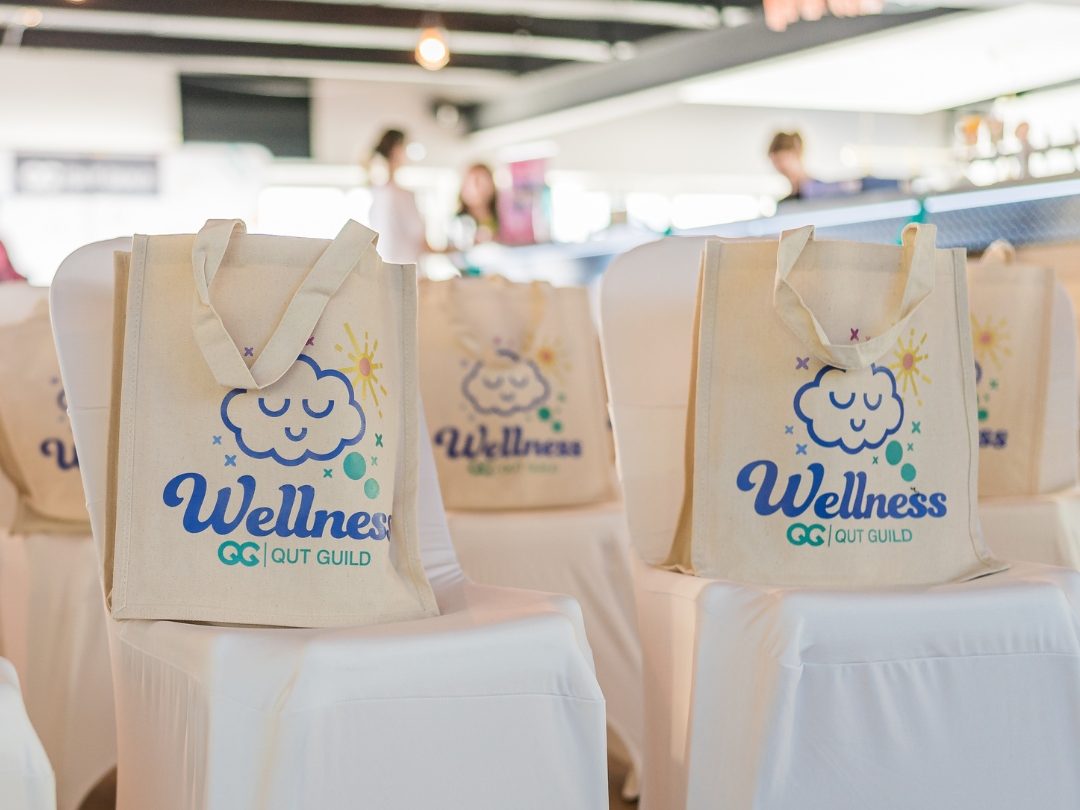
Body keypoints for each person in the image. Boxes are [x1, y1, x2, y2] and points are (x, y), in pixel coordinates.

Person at [367, 128, 431, 265]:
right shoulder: (399, 196)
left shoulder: (377, 193)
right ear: (397, 150)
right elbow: (422, 243)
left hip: (387, 270)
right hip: (405, 271)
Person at [768, 131, 860, 202]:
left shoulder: (821, 192)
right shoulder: (788, 203)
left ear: (797, 153)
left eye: (782, 159)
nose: (780, 166)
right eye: (776, 162)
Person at [450, 163, 500, 249]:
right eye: (477, 182)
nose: (482, 188)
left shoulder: (503, 216)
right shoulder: (457, 222)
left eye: (486, 181)